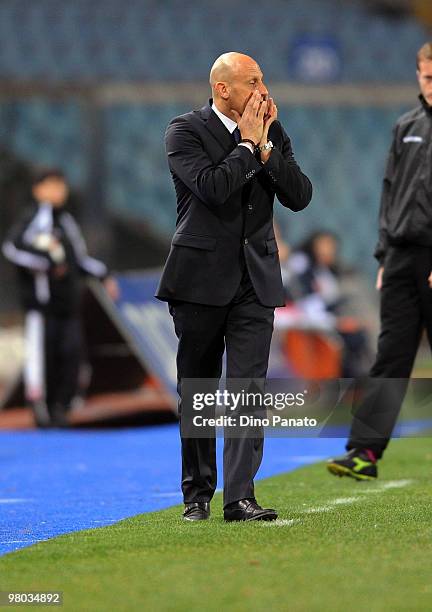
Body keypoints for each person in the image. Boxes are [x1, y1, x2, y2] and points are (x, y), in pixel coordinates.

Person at [156, 52, 312, 521]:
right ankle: (197, 494)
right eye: (253, 82)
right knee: (198, 390)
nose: (263, 91)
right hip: (199, 279)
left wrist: (265, 149)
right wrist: (247, 145)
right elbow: (211, 188)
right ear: (223, 89)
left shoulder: (272, 133)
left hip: (255, 280)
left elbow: (300, 196)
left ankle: (240, 497)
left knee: (249, 390)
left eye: (263, 80)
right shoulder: (184, 131)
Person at [327, 42, 432, 480]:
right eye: (427, 76)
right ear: (417, 76)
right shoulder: (405, 126)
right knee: (390, 357)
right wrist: (384, 256)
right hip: (402, 258)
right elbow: (390, 195)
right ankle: (364, 454)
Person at [2, 167, 119, 428]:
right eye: (52, 185)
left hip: (68, 304)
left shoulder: (66, 221)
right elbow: (12, 248)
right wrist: (45, 261)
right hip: (42, 307)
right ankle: (41, 410)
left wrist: (104, 275)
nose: (58, 191)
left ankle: (61, 406)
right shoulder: (33, 218)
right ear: (38, 189)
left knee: (71, 355)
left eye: (61, 185)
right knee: (43, 357)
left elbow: (78, 259)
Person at [285, 230, 372, 377]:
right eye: (323, 246)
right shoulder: (303, 270)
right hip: (313, 323)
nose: (328, 251)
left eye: (331, 247)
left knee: (359, 335)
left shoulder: (329, 271)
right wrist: (336, 322)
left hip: (332, 318)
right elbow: (307, 306)